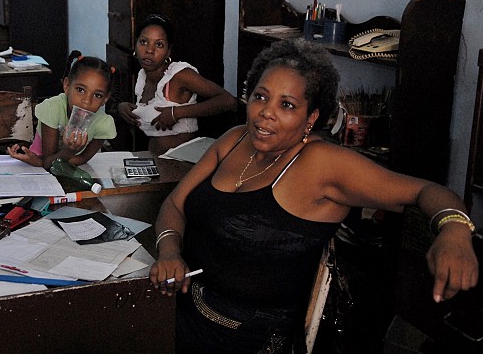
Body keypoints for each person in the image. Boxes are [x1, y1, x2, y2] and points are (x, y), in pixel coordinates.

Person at [149, 39, 478, 353]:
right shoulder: (235, 139)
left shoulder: (320, 164)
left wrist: (454, 231)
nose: (266, 112)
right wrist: (168, 250)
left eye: (287, 104)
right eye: (261, 97)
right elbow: (176, 204)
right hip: (182, 308)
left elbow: (426, 191)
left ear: (311, 119)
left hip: (248, 339)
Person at [117, 14, 237, 155]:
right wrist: (124, 107)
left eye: (159, 44)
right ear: (135, 46)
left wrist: (177, 113)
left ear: (168, 51)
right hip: (157, 158)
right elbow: (152, 112)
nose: (149, 50)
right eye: (143, 42)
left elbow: (229, 101)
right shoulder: (143, 76)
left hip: (182, 162)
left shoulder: (179, 75)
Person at [7, 50, 117, 170]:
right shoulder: (52, 109)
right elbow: (48, 163)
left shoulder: (103, 124)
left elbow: (83, 159)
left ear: (105, 99)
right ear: (67, 86)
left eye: (97, 95)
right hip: (38, 166)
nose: (87, 101)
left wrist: (44, 162)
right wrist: (68, 152)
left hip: (66, 169)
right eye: (80, 90)